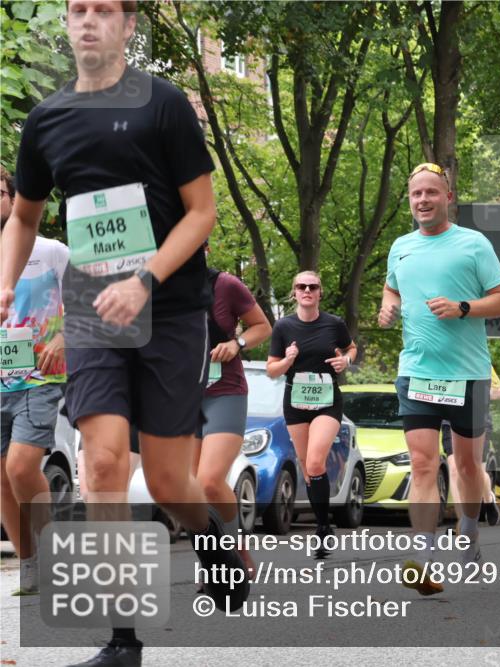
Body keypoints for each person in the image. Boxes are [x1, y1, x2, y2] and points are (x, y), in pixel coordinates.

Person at [1, 3, 249, 664]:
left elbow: (202, 213)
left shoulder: (162, 104)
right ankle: (121, 638)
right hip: (89, 306)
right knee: (104, 462)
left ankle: (214, 532)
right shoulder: (46, 120)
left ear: (128, 24)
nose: (87, 21)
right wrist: (5, 279)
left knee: (171, 483)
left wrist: (144, 277)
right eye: (77, 9)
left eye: (103, 10)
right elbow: (24, 217)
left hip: (168, 306)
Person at [378, 162, 500, 594]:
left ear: (448, 197)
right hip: (416, 371)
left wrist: (463, 308)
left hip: (466, 375)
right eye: (416, 193)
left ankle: (469, 534)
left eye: (431, 193)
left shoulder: (473, 244)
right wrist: (388, 306)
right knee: (422, 464)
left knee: (469, 465)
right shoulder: (400, 246)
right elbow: (393, 287)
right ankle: (424, 556)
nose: (423, 200)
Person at [0, 166, 69, 596]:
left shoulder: (50, 252)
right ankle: (29, 564)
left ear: (12, 197)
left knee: (22, 466)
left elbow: (86, 299)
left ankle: (52, 556)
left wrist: (64, 335)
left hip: (40, 377)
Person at [192, 248, 271, 573]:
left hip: (225, 393)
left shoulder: (225, 285)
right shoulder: (157, 287)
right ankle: (211, 563)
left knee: (210, 480)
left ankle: (237, 551)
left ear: (206, 249)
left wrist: (236, 344)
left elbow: (262, 327)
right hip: (181, 398)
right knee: (189, 490)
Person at [267, 271, 356, 558]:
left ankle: (320, 529)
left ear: (320, 292)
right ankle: (323, 526)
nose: (307, 290)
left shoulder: (334, 324)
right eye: (301, 286)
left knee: (316, 461)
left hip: (327, 401)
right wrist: (288, 359)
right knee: (307, 468)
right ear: (294, 292)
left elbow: (351, 348)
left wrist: (346, 360)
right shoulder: (283, 326)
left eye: (312, 286)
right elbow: (271, 370)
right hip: (295, 401)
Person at [443, 365, 500, 530]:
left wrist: (470, 394)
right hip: (450, 420)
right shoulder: (441, 360)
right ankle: (462, 522)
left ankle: (488, 499)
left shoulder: (480, 359)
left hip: (478, 420)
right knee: (454, 469)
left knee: (475, 470)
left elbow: (499, 392)